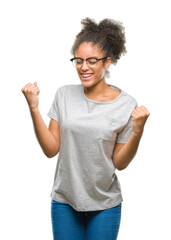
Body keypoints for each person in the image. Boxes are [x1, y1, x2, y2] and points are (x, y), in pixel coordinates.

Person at [21, 18, 150, 240]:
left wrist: (137, 132)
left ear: (107, 62)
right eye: (78, 61)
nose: (83, 67)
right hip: (64, 201)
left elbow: (120, 163)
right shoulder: (64, 95)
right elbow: (51, 149)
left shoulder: (126, 104)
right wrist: (33, 108)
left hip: (105, 204)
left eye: (91, 61)